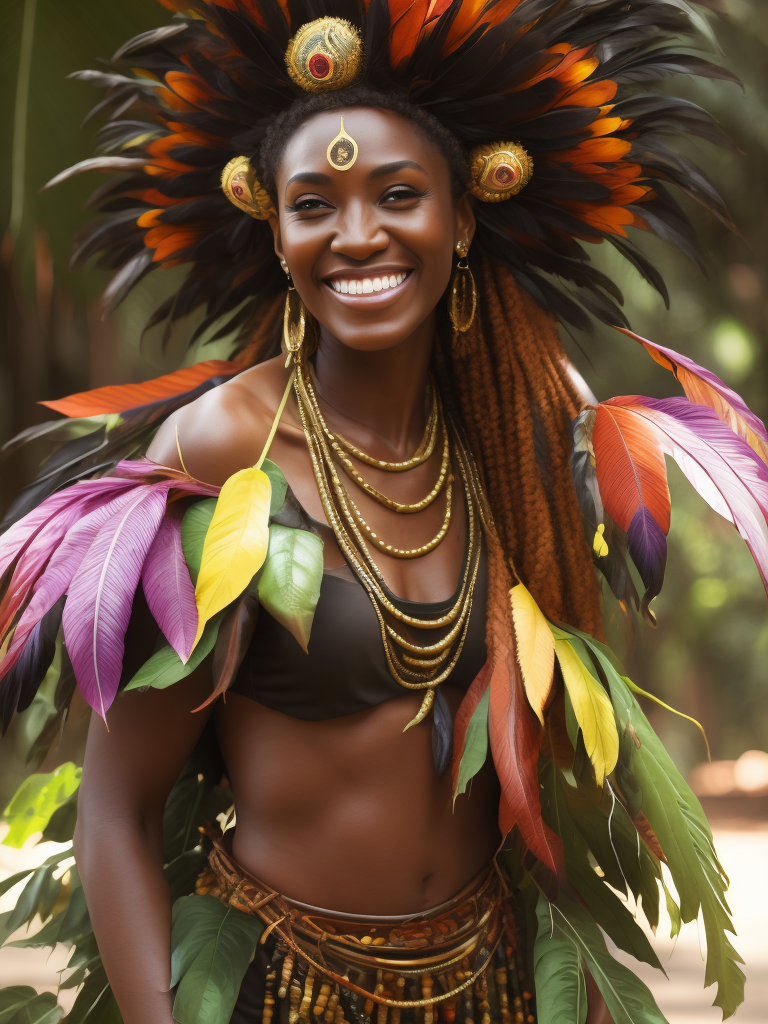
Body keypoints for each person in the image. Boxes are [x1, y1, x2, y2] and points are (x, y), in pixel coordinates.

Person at [0, 3, 758, 1024]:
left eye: (398, 195)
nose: (358, 235)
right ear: (276, 233)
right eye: (314, 204)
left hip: (489, 984)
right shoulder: (223, 445)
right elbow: (116, 807)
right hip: (278, 985)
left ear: (463, 216)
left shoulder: (508, 432)